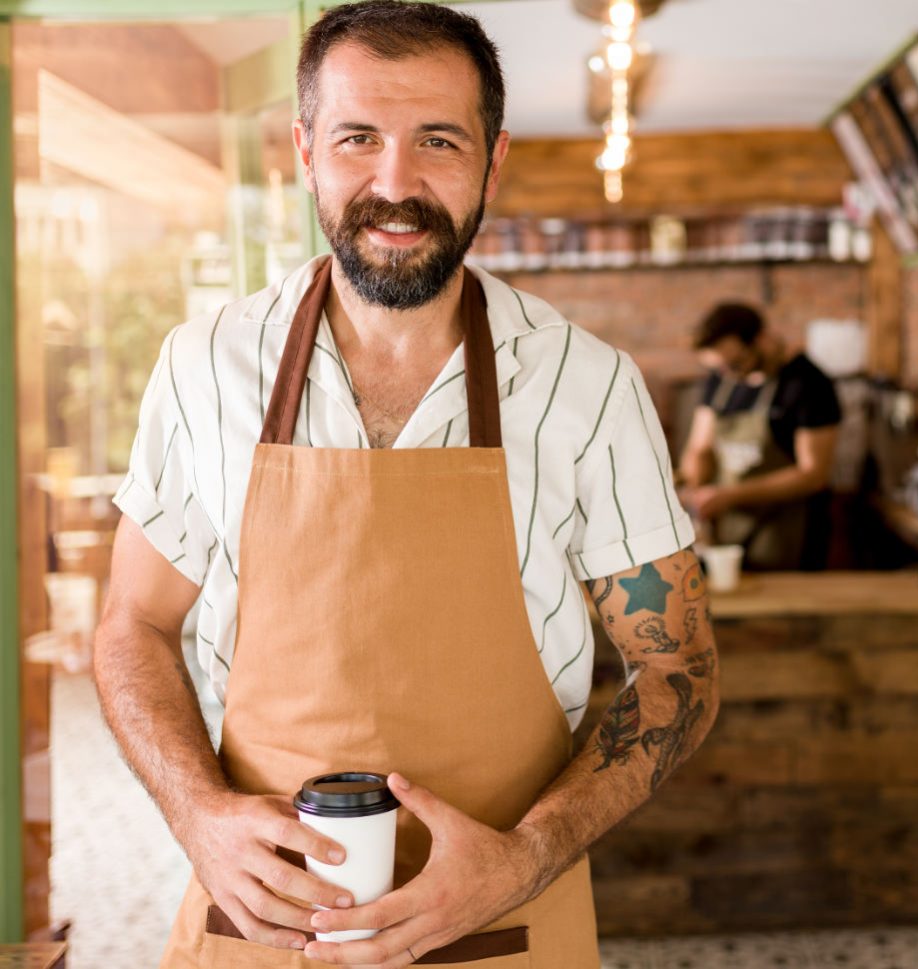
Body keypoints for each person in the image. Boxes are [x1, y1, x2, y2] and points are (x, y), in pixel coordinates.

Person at [92, 4, 718, 967]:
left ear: (492, 161)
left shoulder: (585, 387)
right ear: (305, 150)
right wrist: (198, 812)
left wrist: (527, 855)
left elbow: (678, 666)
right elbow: (132, 622)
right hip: (262, 931)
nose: (395, 183)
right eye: (357, 139)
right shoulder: (203, 365)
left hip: (506, 924)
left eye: (437, 140)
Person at [678, 303, 841, 571]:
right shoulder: (722, 380)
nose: (729, 374)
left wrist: (730, 495)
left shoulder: (808, 383)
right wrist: (695, 495)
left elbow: (813, 474)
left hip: (788, 529)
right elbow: (700, 448)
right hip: (729, 525)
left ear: (763, 340)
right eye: (720, 368)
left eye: (736, 363)